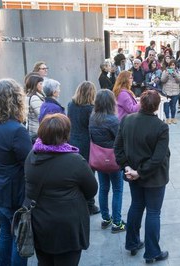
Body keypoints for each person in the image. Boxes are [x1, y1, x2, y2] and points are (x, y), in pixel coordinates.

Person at [24, 114, 97, 266]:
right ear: (65, 135)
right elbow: (92, 190)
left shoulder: (32, 155)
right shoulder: (75, 161)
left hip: (39, 224)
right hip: (67, 228)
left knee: (44, 262)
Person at [0, 79, 32, 266]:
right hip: (14, 193)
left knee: (6, 232)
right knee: (20, 237)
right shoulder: (16, 130)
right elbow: (29, 164)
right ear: (16, 100)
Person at [114, 90, 170, 263]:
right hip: (153, 177)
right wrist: (139, 172)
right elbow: (158, 158)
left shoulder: (127, 120)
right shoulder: (161, 126)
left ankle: (132, 243)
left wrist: (128, 168)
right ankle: (152, 252)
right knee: (153, 212)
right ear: (156, 106)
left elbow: (118, 148)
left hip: (133, 174)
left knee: (136, 206)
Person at [89, 89, 126, 233]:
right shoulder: (113, 120)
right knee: (117, 189)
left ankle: (106, 218)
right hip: (113, 159)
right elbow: (119, 140)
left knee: (103, 188)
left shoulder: (92, 118)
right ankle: (117, 222)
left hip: (99, 159)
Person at [67, 81, 100, 214]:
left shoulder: (71, 105)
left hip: (72, 141)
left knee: (75, 173)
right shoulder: (89, 109)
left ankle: (77, 201)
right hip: (86, 144)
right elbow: (92, 127)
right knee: (88, 175)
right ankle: (89, 204)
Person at [161, 59, 180, 124]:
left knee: (173, 106)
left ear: (175, 66)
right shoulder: (165, 71)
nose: (172, 67)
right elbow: (162, 80)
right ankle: (167, 118)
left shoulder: (178, 72)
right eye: (171, 65)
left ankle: (173, 118)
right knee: (166, 106)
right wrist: (167, 75)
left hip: (175, 92)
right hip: (166, 92)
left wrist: (174, 74)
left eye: (173, 65)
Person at [25, 74, 45, 143]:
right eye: (40, 83)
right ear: (35, 84)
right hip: (36, 131)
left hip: (33, 129)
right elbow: (41, 115)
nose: (42, 85)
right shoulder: (34, 98)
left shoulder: (30, 95)